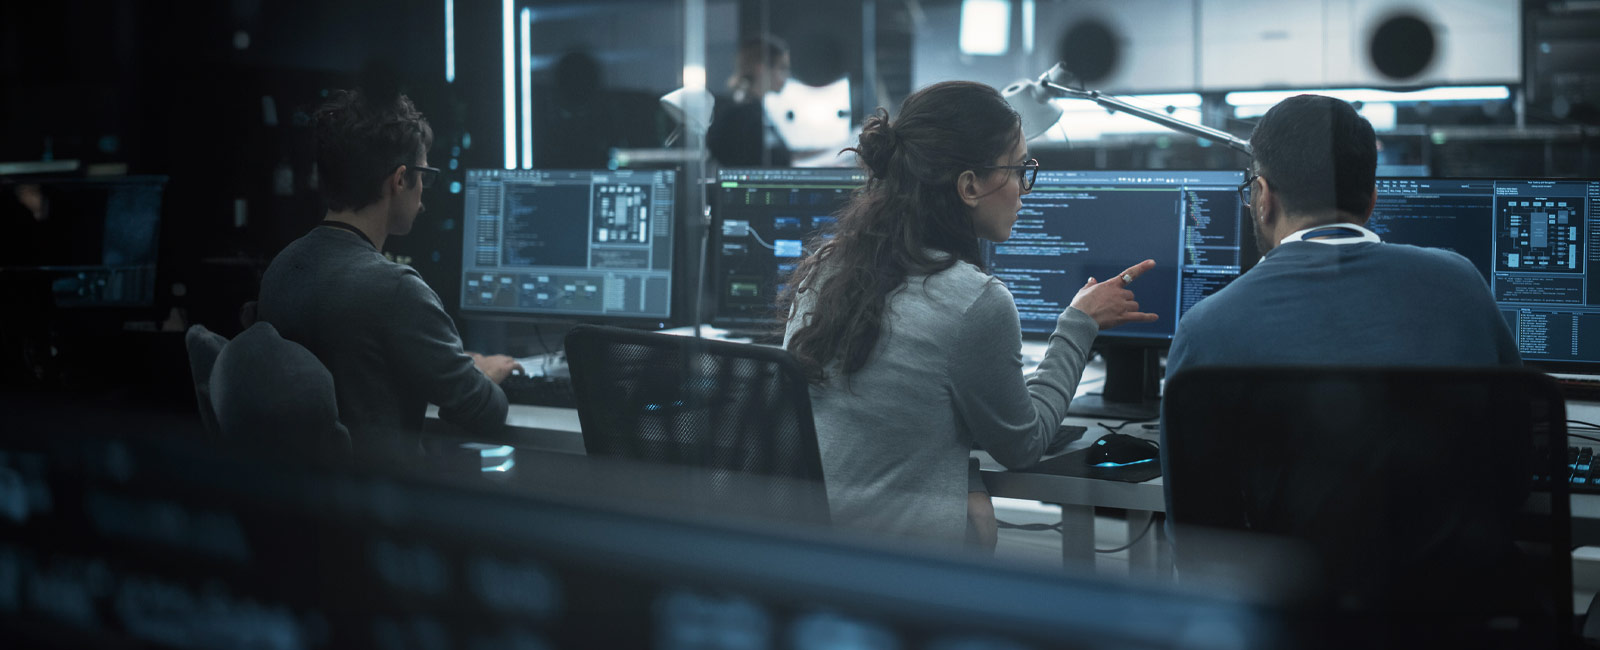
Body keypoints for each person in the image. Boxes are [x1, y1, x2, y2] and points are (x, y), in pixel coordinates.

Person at [779, 81, 1158, 547]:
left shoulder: (827, 266)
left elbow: (884, 431)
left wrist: (965, 475)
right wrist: (1080, 323)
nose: (1024, 188)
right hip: (904, 570)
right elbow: (1022, 445)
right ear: (969, 186)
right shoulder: (973, 300)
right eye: (1019, 169)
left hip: (813, 556)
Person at [1164, 94, 1519, 376]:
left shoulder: (1204, 329)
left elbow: (1187, 468)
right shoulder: (1462, 283)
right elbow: (1519, 432)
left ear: (1263, 197)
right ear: (1372, 201)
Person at [256, 86, 518, 467]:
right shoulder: (395, 290)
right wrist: (483, 374)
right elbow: (484, 411)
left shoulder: (281, 268)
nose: (424, 192)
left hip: (305, 505)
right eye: (424, 174)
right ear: (399, 180)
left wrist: (447, 365)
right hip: (385, 506)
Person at [706, 35, 793, 167]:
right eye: (782, 68)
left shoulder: (752, 109)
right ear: (761, 69)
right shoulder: (742, 113)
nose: (786, 76)